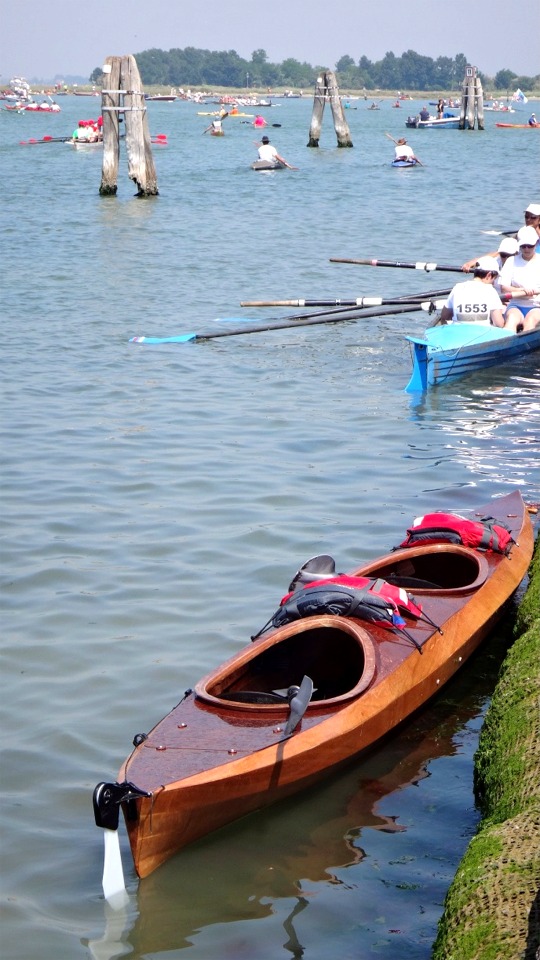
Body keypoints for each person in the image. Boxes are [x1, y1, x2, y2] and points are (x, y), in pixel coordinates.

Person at [462, 202, 540, 271]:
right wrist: (474, 262)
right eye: (526, 217)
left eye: (533, 217)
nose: (528, 220)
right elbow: (500, 252)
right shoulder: (522, 233)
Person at [439, 257, 505, 327]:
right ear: (489, 275)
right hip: (482, 334)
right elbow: (498, 324)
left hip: (458, 332)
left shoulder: (458, 287)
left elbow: (444, 317)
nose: (494, 283)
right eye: (495, 278)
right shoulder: (491, 290)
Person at [498, 226, 540, 332]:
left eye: (530, 246)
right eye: (523, 246)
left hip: (536, 305)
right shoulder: (511, 261)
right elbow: (504, 288)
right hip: (516, 304)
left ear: (536, 243)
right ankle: (505, 344)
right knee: (512, 319)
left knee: (529, 321)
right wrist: (523, 291)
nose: (526, 249)